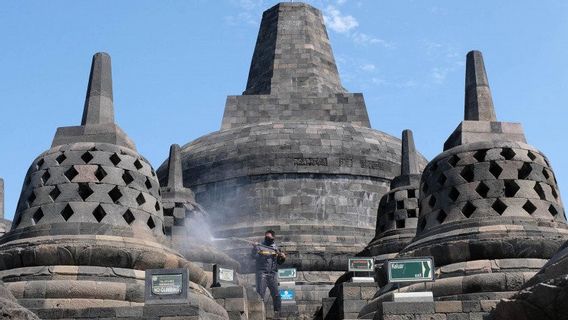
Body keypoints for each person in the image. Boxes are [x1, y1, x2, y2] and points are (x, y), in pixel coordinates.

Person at [251, 229, 286, 314]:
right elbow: (253, 256)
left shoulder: (276, 248)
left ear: (273, 238)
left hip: (273, 274)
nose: (267, 238)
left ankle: (277, 313)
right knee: (260, 295)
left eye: (269, 237)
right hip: (262, 273)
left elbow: (279, 262)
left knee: (276, 295)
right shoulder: (260, 246)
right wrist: (254, 248)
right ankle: (258, 314)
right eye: (266, 237)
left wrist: (283, 257)